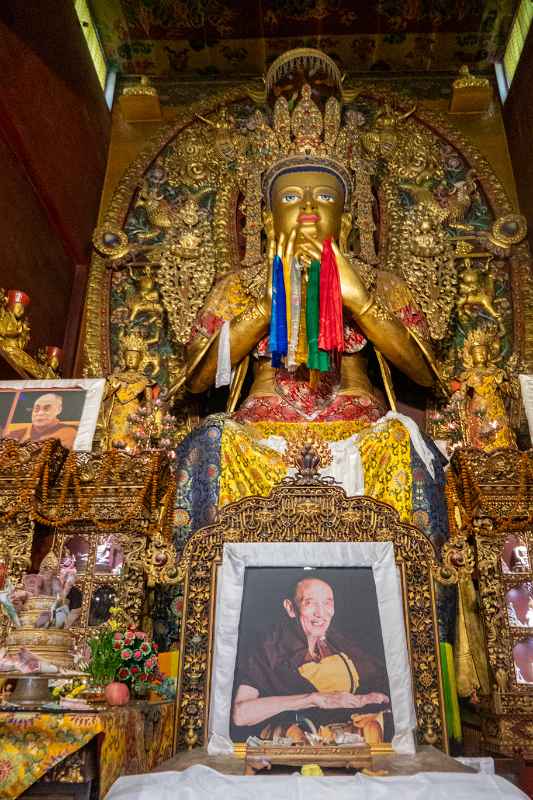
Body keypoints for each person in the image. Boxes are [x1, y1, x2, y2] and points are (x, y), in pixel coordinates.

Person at [231, 576, 390, 741]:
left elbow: (376, 678)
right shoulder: (268, 648)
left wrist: (365, 700)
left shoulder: (337, 642)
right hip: (295, 745)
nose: (321, 613)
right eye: (310, 602)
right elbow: (240, 714)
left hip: (344, 741)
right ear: (291, 608)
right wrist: (313, 699)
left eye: (327, 603)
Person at [7, 392, 77, 449]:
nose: (40, 413)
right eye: (36, 409)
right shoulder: (15, 435)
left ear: (59, 410)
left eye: (46, 409)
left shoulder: (68, 434)